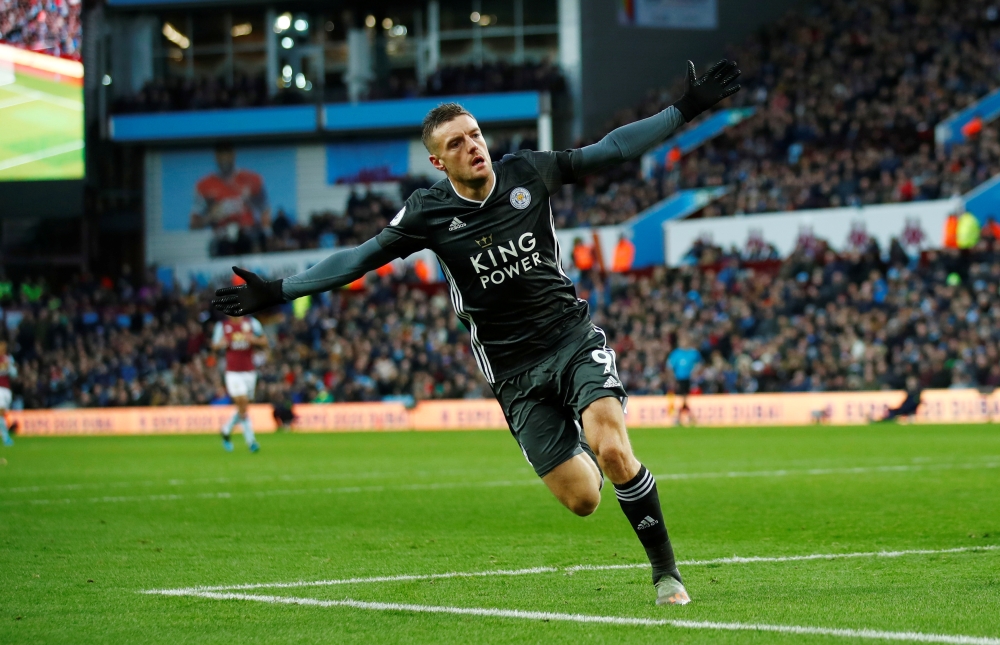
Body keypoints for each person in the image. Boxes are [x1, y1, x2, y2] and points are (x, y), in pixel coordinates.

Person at [213, 58, 741, 606]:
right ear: (438, 160)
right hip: (512, 372)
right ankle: (580, 433)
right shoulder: (427, 214)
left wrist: (686, 109)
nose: (474, 146)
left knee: (613, 450)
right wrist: (278, 292)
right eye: (458, 142)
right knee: (584, 498)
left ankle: (666, 576)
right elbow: (361, 258)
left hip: (571, 338)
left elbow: (610, 150)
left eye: (476, 134)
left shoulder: (527, 173)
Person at [212, 315, 269, 452]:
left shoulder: (252, 323)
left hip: (249, 372)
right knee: (242, 401)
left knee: (244, 406)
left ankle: (226, 429)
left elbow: (264, 341)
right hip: (233, 372)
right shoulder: (223, 326)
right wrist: (221, 344)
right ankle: (251, 441)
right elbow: (214, 345)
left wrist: (253, 340)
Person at [190, 143, 271, 232]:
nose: (224, 157)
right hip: (220, 236)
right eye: (221, 153)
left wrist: (265, 234)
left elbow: (265, 211)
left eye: (227, 152)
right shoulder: (204, 185)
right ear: (216, 156)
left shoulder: (252, 179)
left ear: (233, 154)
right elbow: (194, 224)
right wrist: (210, 217)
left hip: (248, 234)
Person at [667, 333, 701, 426]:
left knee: (686, 398)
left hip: (691, 379)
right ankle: (688, 417)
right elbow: (670, 367)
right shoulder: (676, 353)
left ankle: (681, 418)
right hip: (679, 379)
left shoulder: (694, 353)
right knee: (683, 398)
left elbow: (700, 364)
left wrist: (696, 372)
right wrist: (672, 378)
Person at [0, 340, 15, 446]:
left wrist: (9, 366)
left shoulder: (8, 359)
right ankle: (6, 438)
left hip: (7, 390)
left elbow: (14, 374)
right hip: (0, 389)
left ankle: (5, 436)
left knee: (3, 414)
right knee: (0, 414)